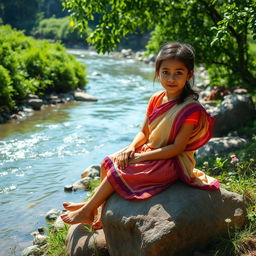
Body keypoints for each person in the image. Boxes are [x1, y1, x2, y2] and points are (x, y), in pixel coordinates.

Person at [60, 42, 220, 226]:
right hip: (152, 151)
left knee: (120, 170)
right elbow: (144, 132)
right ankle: (96, 210)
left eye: (179, 73)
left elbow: (177, 148)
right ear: (157, 72)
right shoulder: (156, 99)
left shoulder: (190, 109)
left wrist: (138, 158)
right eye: (165, 72)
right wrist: (130, 148)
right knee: (107, 162)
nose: (171, 78)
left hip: (172, 161)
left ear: (189, 75)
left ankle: (87, 210)